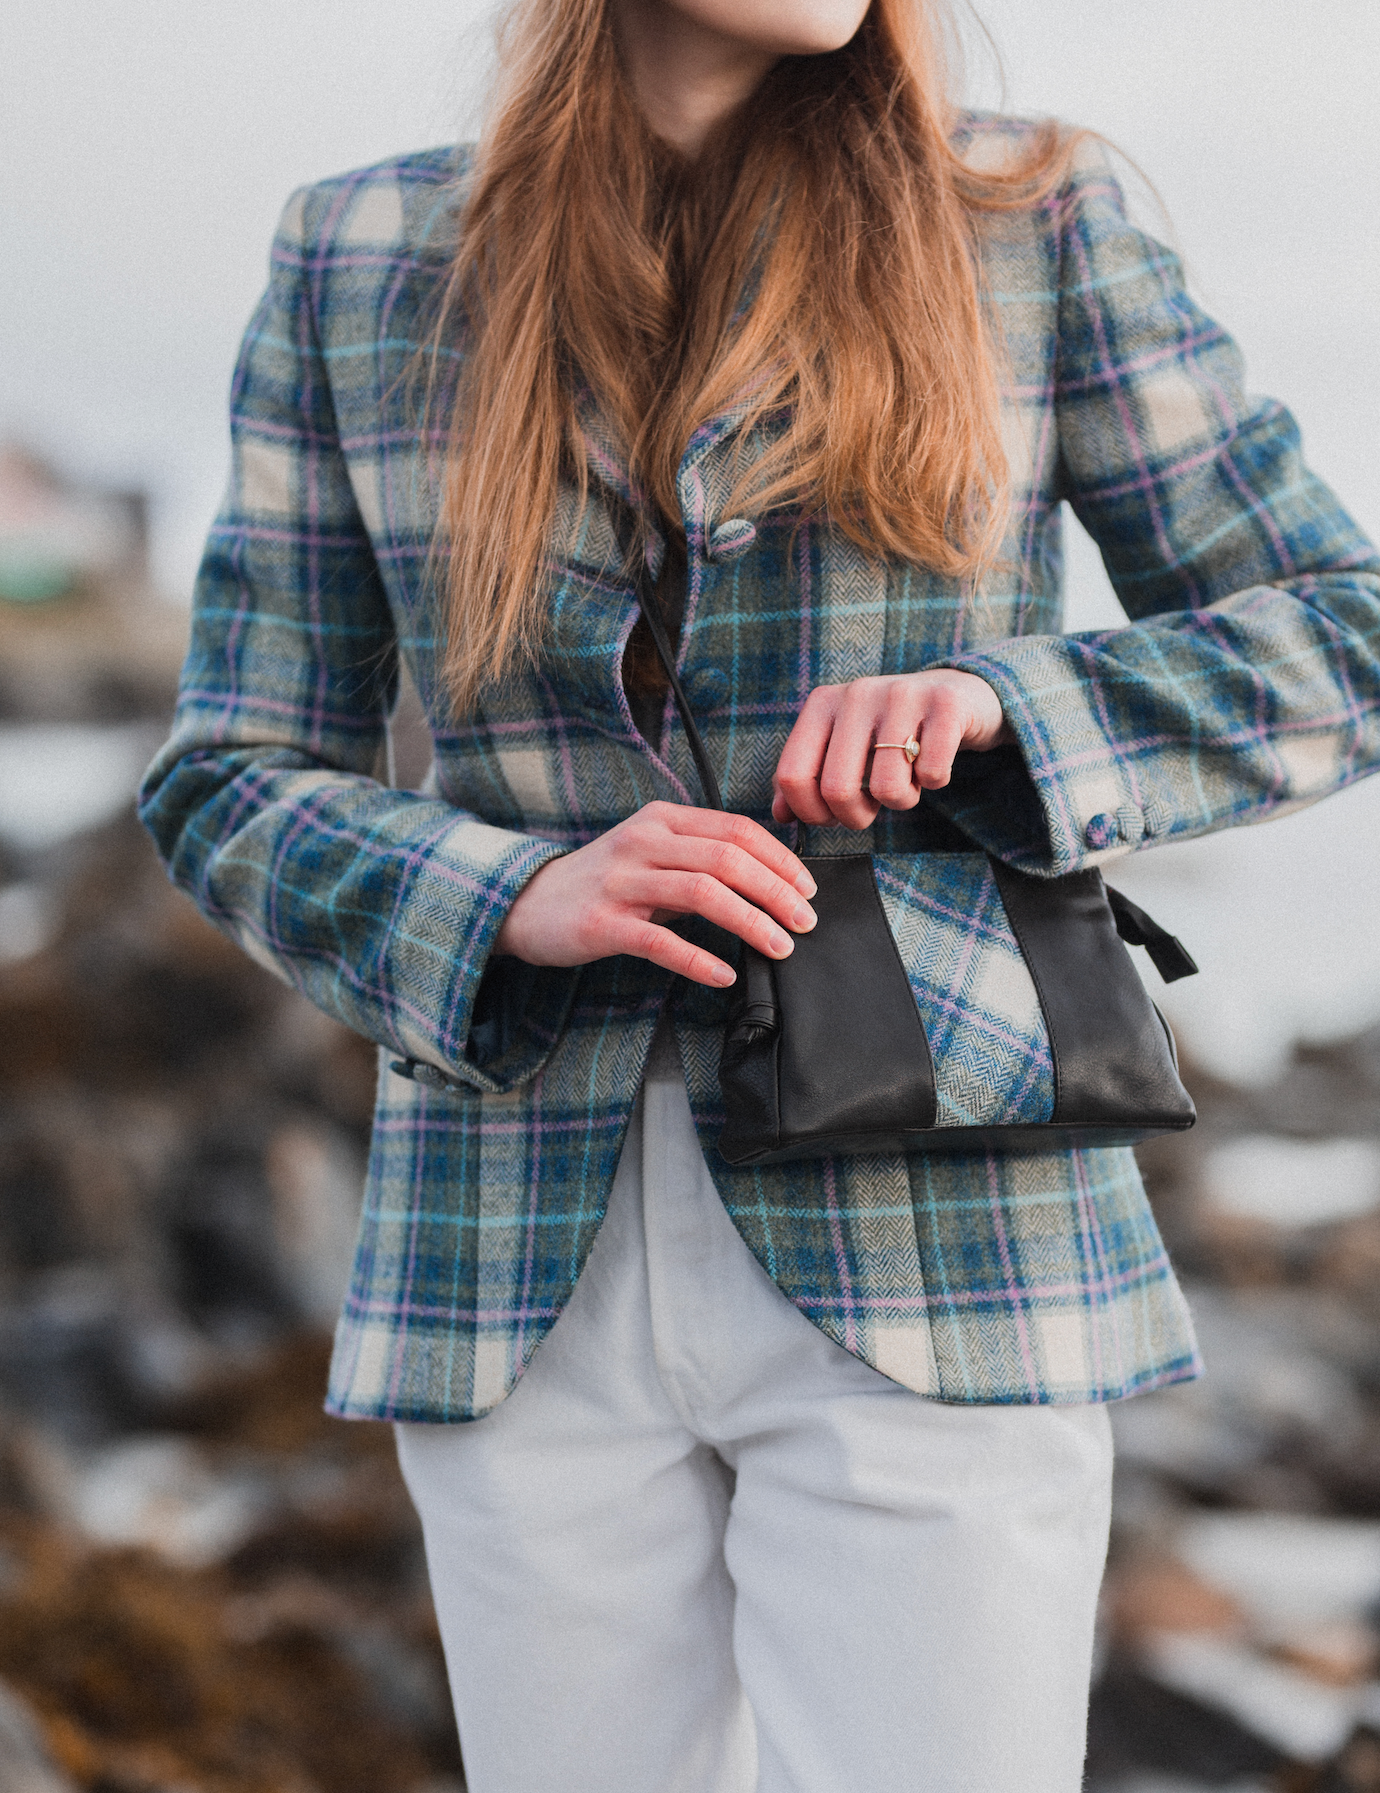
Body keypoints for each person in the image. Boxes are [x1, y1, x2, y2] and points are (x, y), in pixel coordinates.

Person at [139, 0, 1380, 1784]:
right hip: (508, 1267)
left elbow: (1344, 637)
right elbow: (227, 773)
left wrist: (1009, 708)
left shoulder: (1033, 221)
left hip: (949, 1237)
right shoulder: (360, 255)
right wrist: (505, 895)